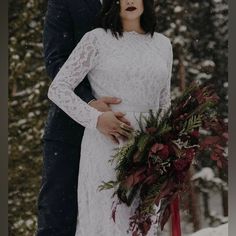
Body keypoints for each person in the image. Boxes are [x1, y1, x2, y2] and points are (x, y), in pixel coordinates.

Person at [47, 0, 173, 235]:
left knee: (144, 222)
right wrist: (94, 118)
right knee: (108, 221)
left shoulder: (163, 44)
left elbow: (164, 101)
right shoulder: (96, 39)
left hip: (149, 149)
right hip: (107, 145)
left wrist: (169, 146)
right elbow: (58, 89)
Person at [37, 0, 133, 235]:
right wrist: (90, 102)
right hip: (68, 131)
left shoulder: (131, 4)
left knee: (119, 217)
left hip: (122, 130)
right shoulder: (65, 3)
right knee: (58, 217)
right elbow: (56, 59)